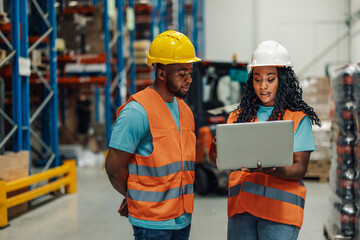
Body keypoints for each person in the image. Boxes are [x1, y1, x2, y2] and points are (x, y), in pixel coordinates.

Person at [209, 40, 322, 240]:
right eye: (257, 79)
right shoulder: (237, 117)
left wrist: (274, 169)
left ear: (283, 80)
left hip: (279, 213)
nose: (263, 86)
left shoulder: (296, 118)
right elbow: (218, 162)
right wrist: (214, 149)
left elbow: (300, 169)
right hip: (241, 211)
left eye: (270, 79)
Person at [105, 30, 201, 240]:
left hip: (182, 217)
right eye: (182, 73)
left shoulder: (185, 110)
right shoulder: (137, 111)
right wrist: (134, 198)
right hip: (152, 223)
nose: (189, 79)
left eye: (190, 72)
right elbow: (114, 168)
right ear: (161, 73)